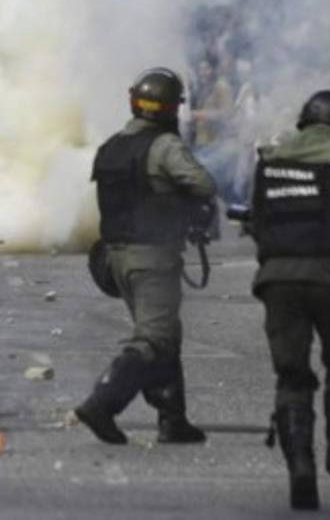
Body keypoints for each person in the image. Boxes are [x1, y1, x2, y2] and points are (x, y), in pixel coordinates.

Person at [247, 91, 330, 510]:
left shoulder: (269, 158)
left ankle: (300, 468)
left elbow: (256, 223)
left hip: (278, 281)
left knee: (292, 377)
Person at [74, 67, 216, 445]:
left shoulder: (113, 145)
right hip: (150, 257)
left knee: (164, 334)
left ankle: (173, 418)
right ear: (171, 108)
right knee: (154, 338)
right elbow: (203, 183)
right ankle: (103, 403)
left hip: (115, 259)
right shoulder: (165, 145)